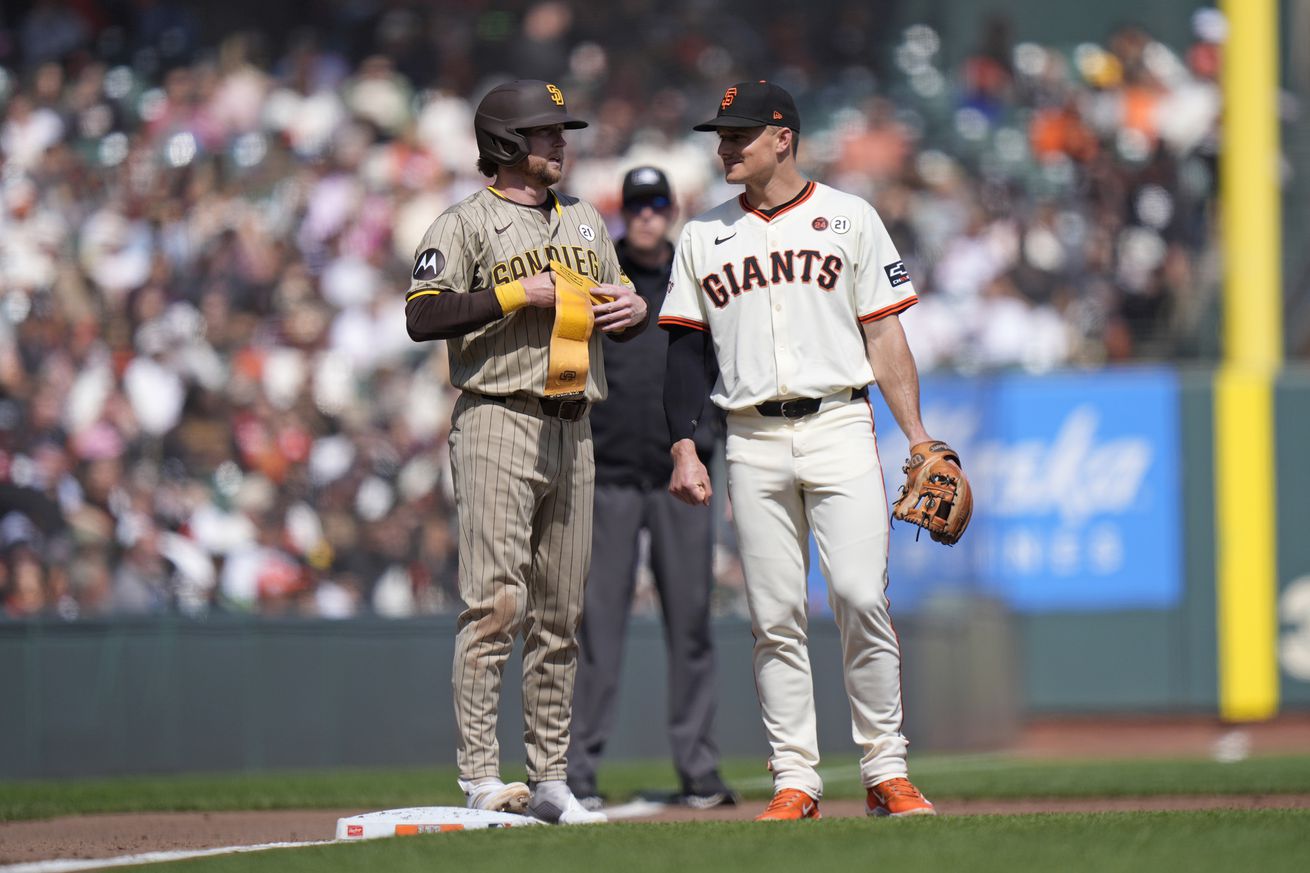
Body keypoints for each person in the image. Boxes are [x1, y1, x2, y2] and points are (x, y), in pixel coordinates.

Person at [659, 81, 940, 821]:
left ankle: (886, 769)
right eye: (721, 134)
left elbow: (886, 335)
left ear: (783, 137)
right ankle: (796, 779)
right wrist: (684, 443)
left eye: (740, 134)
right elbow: (685, 352)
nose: (725, 146)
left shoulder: (850, 218)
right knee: (775, 613)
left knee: (858, 596)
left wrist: (916, 436)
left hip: (839, 424)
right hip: (749, 437)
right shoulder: (702, 234)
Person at [404, 79, 649, 826]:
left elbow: (618, 307)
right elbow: (423, 315)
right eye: (545, 133)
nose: (560, 143)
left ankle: (550, 776)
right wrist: (518, 295)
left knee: (558, 613)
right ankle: (481, 775)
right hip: (497, 417)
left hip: (574, 423)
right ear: (507, 144)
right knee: (494, 604)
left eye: (560, 131)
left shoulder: (584, 223)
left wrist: (633, 311)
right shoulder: (465, 222)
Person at [566, 167, 736, 811]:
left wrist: (707, 442)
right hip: (607, 475)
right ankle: (578, 772)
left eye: (656, 203)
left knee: (691, 623)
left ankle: (699, 769)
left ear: (671, 210)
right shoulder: (599, 280)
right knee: (597, 630)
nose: (645, 215)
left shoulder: (692, 279)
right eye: (635, 205)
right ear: (623, 212)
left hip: (679, 481)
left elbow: (720, 362)